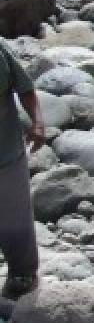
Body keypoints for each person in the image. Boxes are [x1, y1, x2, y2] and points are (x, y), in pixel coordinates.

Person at [0, 40, 43, 299]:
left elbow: (25, 87)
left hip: (6, 152)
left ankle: (23, 274)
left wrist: (37, 123)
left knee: (15, 217)